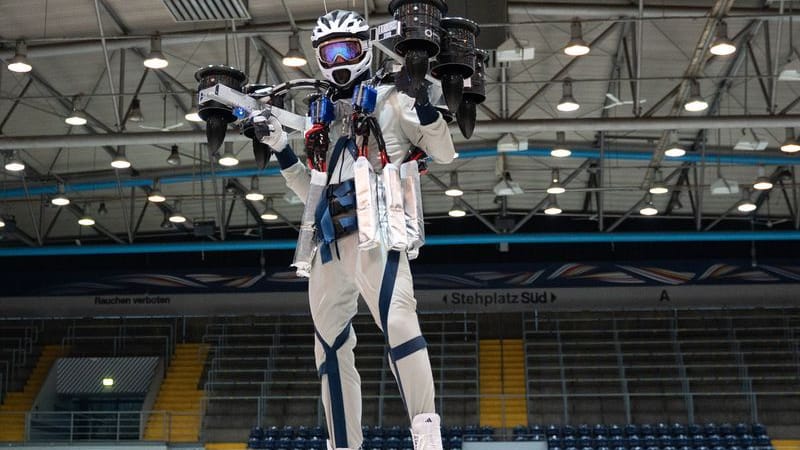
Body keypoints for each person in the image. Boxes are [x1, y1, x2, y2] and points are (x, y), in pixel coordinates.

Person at [257, 9, 456, 450]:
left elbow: (443, 152)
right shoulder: (320, 119)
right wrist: (280, 150)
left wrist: (423, 103)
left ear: (365, 48)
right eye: (330, 52)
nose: (339, 59)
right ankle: (343, 445)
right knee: (328, 348)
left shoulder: (391, 99)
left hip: (378, 228)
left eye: (347, 48)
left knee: (399, 321)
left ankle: (427, 434)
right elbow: (310, 184)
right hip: (326, 242)